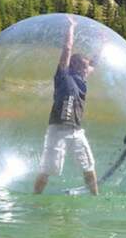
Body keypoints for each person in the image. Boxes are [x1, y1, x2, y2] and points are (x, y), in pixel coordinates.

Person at [34, 15, 99, 195]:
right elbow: (67, 49)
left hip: (76, 131)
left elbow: (95, 63)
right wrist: (71, 27)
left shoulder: (82, 81)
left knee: (89, 166)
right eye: (85, 66)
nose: (88, 69)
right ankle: (34, 199)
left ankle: (96, 197)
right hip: (57, 130)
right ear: (77, 66)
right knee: (47, 170)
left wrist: (103, 42)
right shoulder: (63, 76)